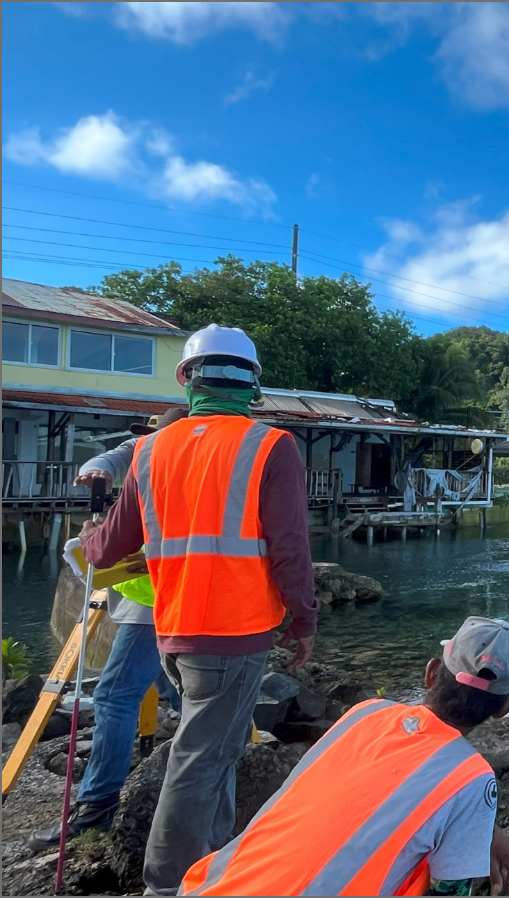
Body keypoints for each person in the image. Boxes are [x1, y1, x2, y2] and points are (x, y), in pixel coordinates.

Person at [80, 324, 318, 895]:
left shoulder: (149, 449)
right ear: (253, 385)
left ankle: (213, 866)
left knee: (218, 752)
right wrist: (304, 618)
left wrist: (87, 536)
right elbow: (289, 546)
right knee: (199, 762)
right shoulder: (271, 445)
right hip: (234, 634)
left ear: (186, 378)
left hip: (174, 630)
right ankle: (166, 886)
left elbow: (107, 546)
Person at [180, 617, 509, 897]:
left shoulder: (365, 714)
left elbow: (376, 793)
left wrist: (483, 828)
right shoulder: (471, 778)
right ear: (503, 708)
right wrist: (476, 825)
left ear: (431, 672)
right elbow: (451, 892)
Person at [27, 408, 188, 849]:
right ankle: (208, 777)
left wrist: (95, 537)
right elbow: (117, 454)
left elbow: (115, 540)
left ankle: (97, 804)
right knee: (183, 691)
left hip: (154, 601)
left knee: (116, 696)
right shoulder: (158, 453)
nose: (146, 443)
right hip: (168, 599)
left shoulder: (169, 469)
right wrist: (96, 468)